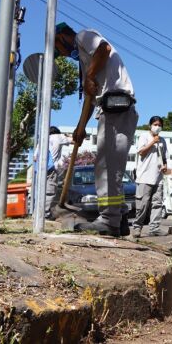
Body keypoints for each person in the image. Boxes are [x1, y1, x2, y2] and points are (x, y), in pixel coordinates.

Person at [54, 22, 138, 236]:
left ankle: (109, 221)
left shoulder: (84, 37)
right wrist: (80, 128)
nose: (62, 55)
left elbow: (104, 49)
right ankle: (118, 218)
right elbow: (90, 97)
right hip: (109, 110)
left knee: (107, 168)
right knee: (108, 167)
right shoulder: (85, 63)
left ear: (63, 36)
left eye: (59, 49)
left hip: (117, 108)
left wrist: (90, 76)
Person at [132, 116, 167, 238]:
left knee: (157, 203)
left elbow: (164, 157)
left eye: (159, 125)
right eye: (155, 124)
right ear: (150, 125)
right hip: (145, 177)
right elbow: (141, 152)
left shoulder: (163, 140)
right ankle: (137, 228)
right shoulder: (144, 136)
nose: (157, 127)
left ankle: (154, 228)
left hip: (158, 177)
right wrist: (152, 142)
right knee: (143, 204)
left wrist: (165, 166)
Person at [44, 126, 71, 220]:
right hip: (50, 169)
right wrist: (67, 135)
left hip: (39, 169)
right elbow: (74, 140)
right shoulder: (58, 137)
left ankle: (38, 212)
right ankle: (45, 214)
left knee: (41, 190)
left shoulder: (43, 139)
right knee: (50, 191)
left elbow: (35, 157)